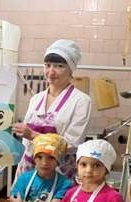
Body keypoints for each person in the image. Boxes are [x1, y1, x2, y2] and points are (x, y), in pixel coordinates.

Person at [13, 39, 92, 181]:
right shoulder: (36, 99)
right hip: (28, 170)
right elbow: (26, 143)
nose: (51, 71)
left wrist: (33, 135)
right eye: (47, 65)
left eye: (59, 66)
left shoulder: (81, 101)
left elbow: (72, 144)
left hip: (58, 174)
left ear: (71, 69)